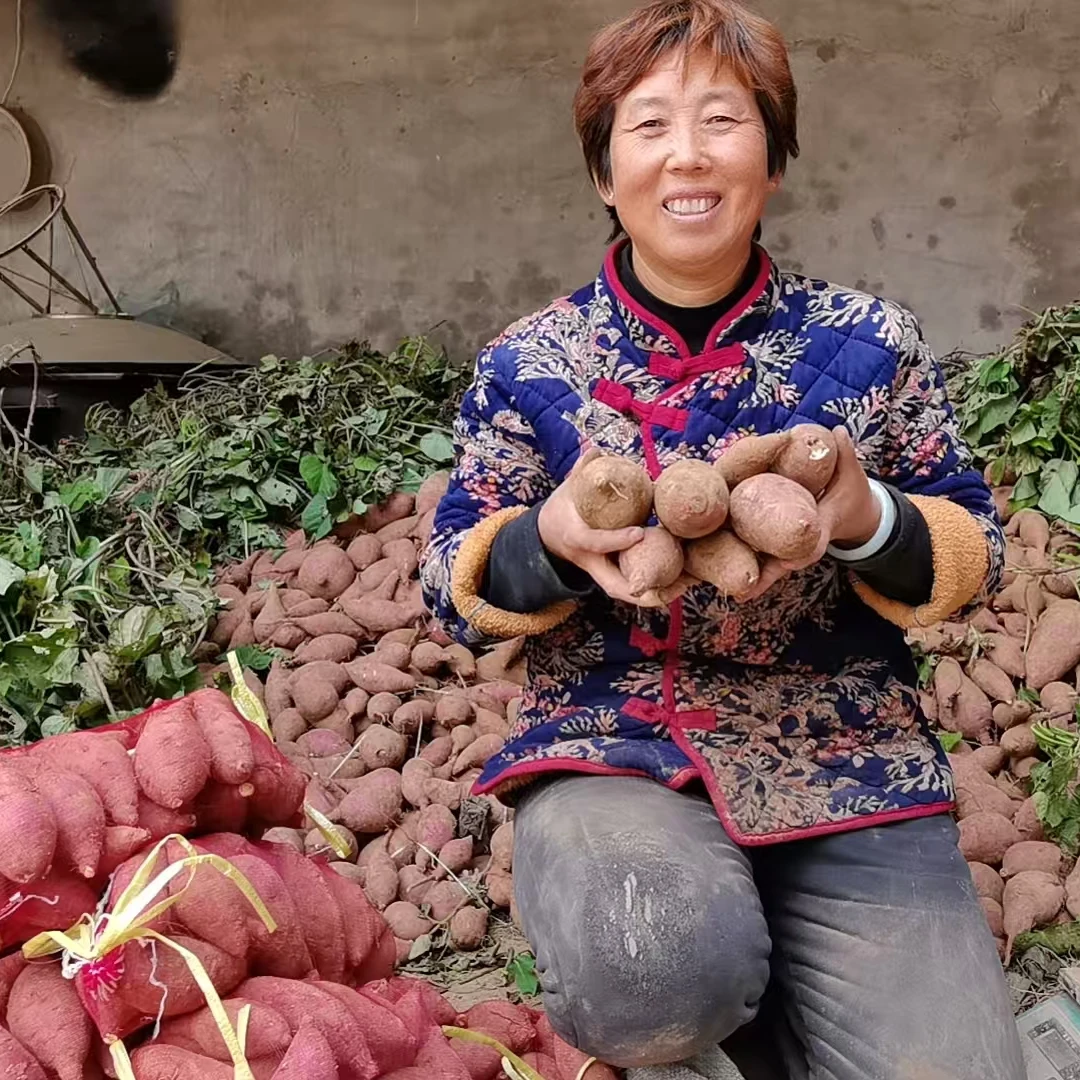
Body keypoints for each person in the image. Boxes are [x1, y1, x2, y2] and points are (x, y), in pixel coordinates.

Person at [420, 2, 1022, 1077]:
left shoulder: (871, 344)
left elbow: (973, 544)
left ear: (773, 156)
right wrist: (553, 536)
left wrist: (858, 517)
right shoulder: (529, 363)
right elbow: (452, 583)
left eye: (722, 120)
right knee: (654, 972)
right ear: (605, 172)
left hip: (848, 756)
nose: (687, 156)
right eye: (647, 127)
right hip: (614, 745)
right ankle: (699, 1001)